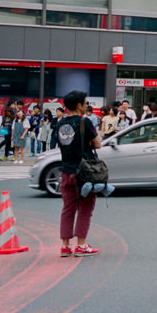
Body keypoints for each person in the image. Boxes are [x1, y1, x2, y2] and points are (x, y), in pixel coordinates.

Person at [56, 91, 102, 257]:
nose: (86, 105)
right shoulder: (85, 122)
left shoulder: (60, 123)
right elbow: (98, 144)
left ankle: (65, 246)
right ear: (78, 105)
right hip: (83, 172)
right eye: (85, 102)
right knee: (85, 208)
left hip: (66, 170)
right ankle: (81, 245)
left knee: (68, 208)